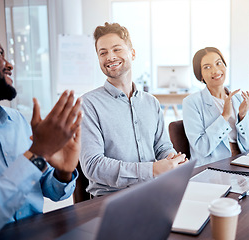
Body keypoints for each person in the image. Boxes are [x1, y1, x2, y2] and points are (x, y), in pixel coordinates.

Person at [0, 32, 83, 239]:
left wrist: (63, 173)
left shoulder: (17, 121)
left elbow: (49, 189)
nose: (10, 64)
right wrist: (38, 152)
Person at [79, 22, 187, 196]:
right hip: (112, 198)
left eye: (117, 49)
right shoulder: (88, 104)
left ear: (133, 54)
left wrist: (174, 160)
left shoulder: (151, 103)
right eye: (103, 53)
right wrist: (151, 170)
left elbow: (162, 147)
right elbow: (93, 165)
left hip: (155, 192)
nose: (110, 57)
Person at [183, 47, 249, 166]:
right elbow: (202, 148)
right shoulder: (191, 102)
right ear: (200, 75)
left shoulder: (238, 99)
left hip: (242, 163)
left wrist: (242, 116)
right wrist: (225, 116)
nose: (215, 70)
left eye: (218, 63)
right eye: (207, 67)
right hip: (212, 167)